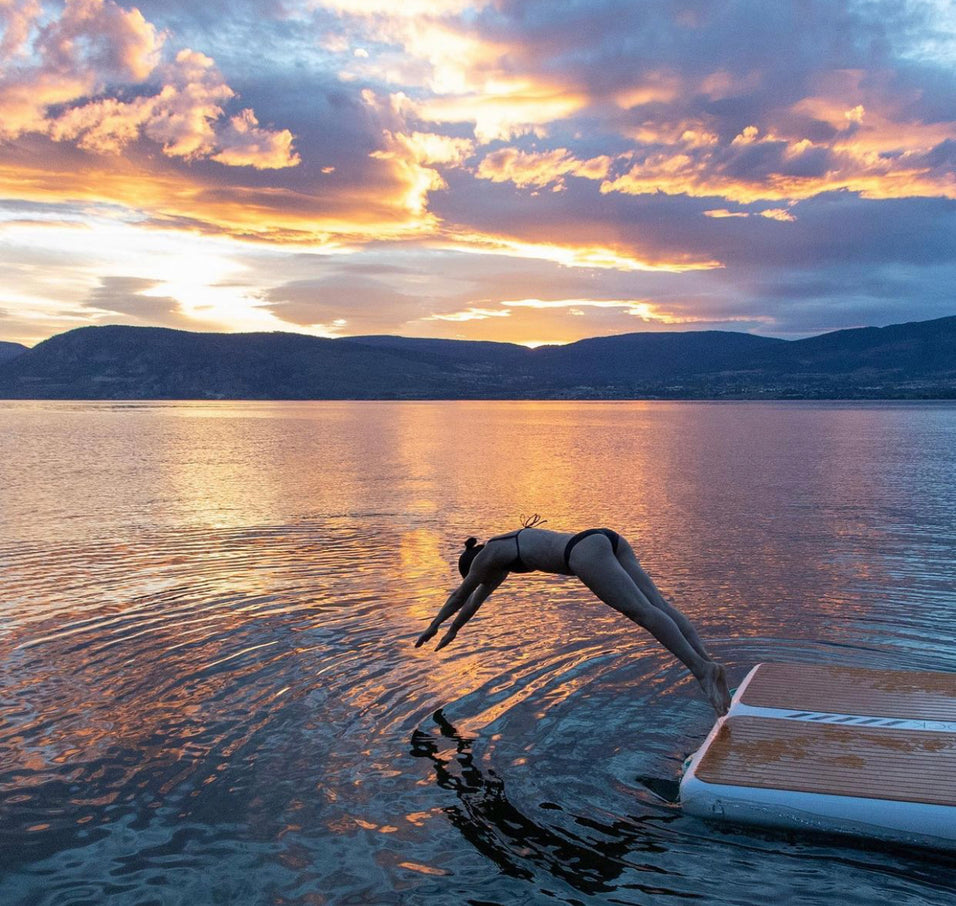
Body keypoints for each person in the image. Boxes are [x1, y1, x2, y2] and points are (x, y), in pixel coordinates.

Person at [415, 517, 731, 715]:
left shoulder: (487, 557)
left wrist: (433, 625)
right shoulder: (499, 556)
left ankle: (700, 670)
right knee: (659, 606)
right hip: (603, 537)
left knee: (642, 613)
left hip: (583, 555)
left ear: (473, 566)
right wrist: (452, 630)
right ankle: (707, 663)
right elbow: (472, 603)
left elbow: (461, 595)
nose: (479, 580)